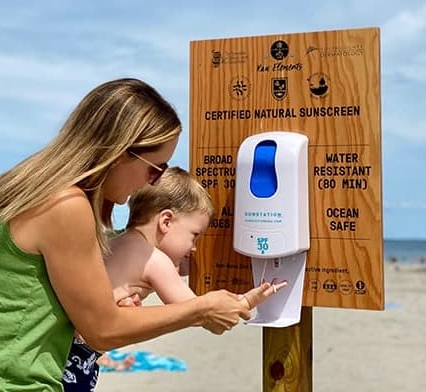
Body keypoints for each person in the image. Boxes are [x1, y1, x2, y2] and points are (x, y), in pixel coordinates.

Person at [0, 78, 281, 392]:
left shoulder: (31, 190)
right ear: (119, 152)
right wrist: (201, 309)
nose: (152, 181)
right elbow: (103, 329)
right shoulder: (65, 205)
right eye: (154, 167)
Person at [62, 167, 288, 391]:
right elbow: (195, 311)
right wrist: (245, 302)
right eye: (194, 235)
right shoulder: (154, 259)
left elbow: (173, 270)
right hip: (81, 357)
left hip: (64, 348)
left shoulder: (118, 242)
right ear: (166, 221)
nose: (194, 248)